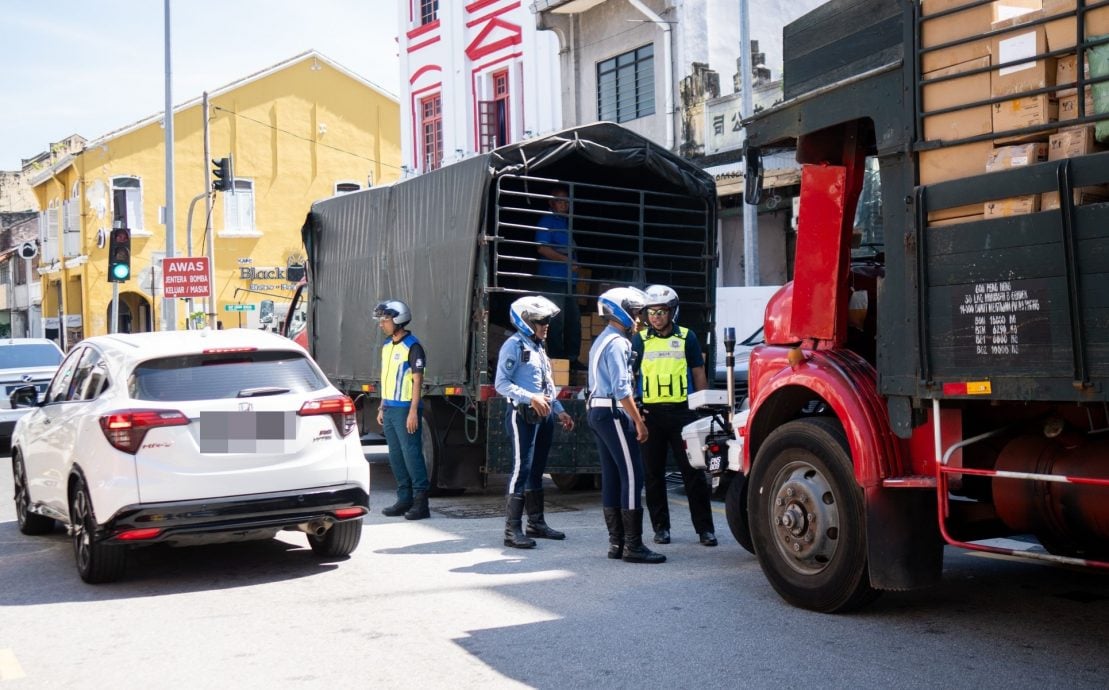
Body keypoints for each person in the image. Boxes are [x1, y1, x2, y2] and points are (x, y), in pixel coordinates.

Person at [632, 285, 717, 547]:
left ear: (672, 312)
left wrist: (703, 407)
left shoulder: (687, 337)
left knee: (693, 472)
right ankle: (661, 529)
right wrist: (636, 405)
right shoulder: (640, 339)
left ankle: (705, 530)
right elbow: (631, 374)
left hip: (683, 414)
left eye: (661, 312)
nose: (656, 316)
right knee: (653, 475)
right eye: (651, 312)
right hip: (652, 416)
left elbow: (698, 372)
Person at [586, 286, 665, 564]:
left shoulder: (603, 339)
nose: (640, 319)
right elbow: (621, 389)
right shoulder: (619, 343)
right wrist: (638, 422)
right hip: (613, 412)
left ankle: (616, 543)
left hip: (597, 411)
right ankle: (633, 545)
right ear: (622, 311)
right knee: (632, 475)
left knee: (613, 476)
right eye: (635, 313)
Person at [495, 295, 576, 548]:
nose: (546, 325)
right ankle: (511, 531)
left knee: (537, 470)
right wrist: (530, 398)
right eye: (541, 320)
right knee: (522, 469)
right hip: (522, 416)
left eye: (547, 320)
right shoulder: (513, 346)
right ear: (526, 321)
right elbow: (501, 384)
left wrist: (559, 409)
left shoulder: (539, 347)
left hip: (544, 415)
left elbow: (547, 386)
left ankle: (536, 523)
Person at [373, 299, 430, 521]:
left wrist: (413, 411)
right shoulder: (388, 346)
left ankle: (420, 503)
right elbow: (385, 378)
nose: (382, 324)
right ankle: (404, 498)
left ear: (398, 320)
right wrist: (381, 405)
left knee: (412, 455)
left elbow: (418, 381)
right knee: (396, 456)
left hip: (405, 408)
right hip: (389, 408)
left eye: (385, 320)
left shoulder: (413, 346)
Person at [535, 185, 583, 367]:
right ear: (551, 202)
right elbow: (542, 247)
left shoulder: (565, 223)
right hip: (553, 279)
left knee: (573, 319)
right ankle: (556, 359)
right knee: (557, 320)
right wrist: (567, 261)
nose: (564, 204)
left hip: (569, 281)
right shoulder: (547, 221)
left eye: (566, 201)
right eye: (560, 200)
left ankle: (572, 359)